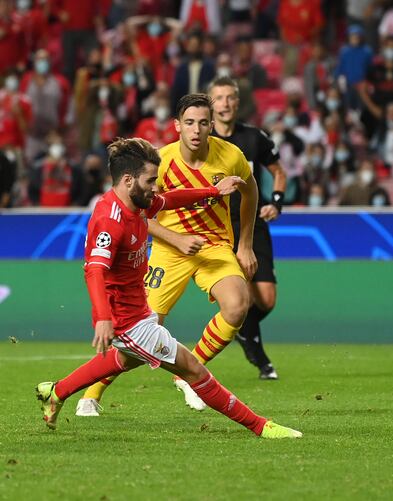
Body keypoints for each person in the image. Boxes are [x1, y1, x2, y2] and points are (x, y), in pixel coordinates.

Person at [35, 137, 301, 439]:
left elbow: (172, 199)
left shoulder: (137, 203)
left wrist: (214, 191)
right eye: (150, 180)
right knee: (194, 371)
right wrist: (104, 317)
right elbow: (95, 270)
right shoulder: (112, 220)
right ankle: (260, 426)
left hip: (139, 311)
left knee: (123, 359)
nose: (155, 187)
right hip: (127, 322)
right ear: (127, 179)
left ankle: (55, 392)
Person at [75, 93, 259, 416]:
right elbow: (143, 212)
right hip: (168, 248)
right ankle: (92, 392)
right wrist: (176, 238)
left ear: (212, 125)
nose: (197, 130)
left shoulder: (231, 156)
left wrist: (245, 244)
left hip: (213, 245)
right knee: (141, 330)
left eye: (204, 122)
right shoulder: (161, 162)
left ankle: (190, 376)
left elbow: (250, 190)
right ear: (177, 126)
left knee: (238, 305)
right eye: (189, 122)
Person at [206, 76, 287, 380]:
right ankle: (260, 357)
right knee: (239, 297)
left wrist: (276, 203)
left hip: (254, 225)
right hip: (220, 228)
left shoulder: (255, 138)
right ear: (210, 103)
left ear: (238, 103)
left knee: (266, 299)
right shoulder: (203, 142)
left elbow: (279, 173)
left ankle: (242, 330)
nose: (225, 104)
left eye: (230, 98)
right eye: (219, 98)